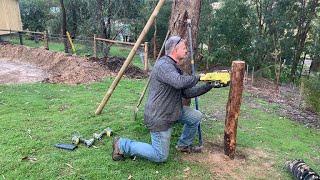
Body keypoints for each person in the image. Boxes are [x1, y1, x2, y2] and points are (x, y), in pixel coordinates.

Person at [112, 35, 214, 163]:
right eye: (184, 48)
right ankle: (122, 145)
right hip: (159, 116)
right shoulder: (163, 66)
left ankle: (183, 145)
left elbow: (186, 93)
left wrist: (209, 86)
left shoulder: (173, 67)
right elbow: (179, 82)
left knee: (195, 116)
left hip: (172, 111)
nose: (187, 50)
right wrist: (199, 77)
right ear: (175, 50)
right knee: (160, 156)